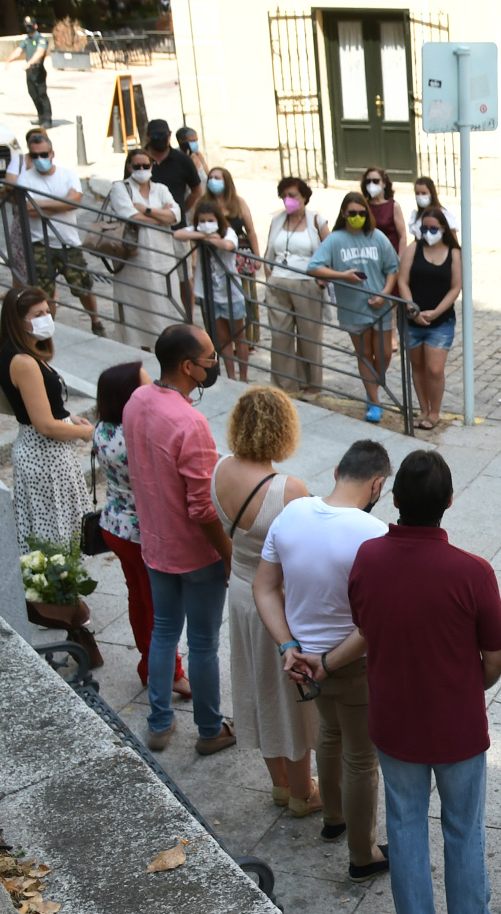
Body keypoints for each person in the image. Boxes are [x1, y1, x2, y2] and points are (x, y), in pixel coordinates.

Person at [353, 451, 501, 914]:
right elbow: (495, 657)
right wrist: (470, 685)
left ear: (394, 500)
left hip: (394, 719)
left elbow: (364, 624)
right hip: (457, 725)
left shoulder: (368, 559)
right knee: (464, 827)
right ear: (448, 501)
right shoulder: (473, 572)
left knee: (403, 824)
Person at [255, 440, 392, 880]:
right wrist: (330, 661)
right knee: (360, 758)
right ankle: (362, 853)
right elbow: (375, 624)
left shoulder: (291, 514)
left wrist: (286, 645)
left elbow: (264, 587)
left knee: (329, 735)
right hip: (349, 664)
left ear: (336, 470)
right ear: (378, 484)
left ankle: (333, 818)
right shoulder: (373, 536)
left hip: (301, 660)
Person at [124, 325, 234, 755]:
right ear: (188, 367)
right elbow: (203, 509)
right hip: (195, 553)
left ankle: (159, 722)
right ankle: (210, 730)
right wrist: (226, 556)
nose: (213, 364)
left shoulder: (137, 400)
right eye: (209, 358)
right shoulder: (190, 422)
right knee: (204, 642)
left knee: (164, 632)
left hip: (155, 543)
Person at [211, 387, 316, 816]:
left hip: (240, 590)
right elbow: (310, 555)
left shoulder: (220, 470)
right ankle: (301, 793)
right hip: (279, 600)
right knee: (290, 696)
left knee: (256, 683)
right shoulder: (290, 489)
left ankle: (278, 785)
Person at [92, 361, 189, 698]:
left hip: (114, 525)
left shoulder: (103, 429)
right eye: (147, 388)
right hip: (141, 531)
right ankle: (167, 672)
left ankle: (149, 663)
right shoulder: (136, 437)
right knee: (160, 609)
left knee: (138, 597)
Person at [0, 286, 92, 549]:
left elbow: (43, 404)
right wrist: (85, 433)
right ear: (18, 320)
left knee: (59, 532)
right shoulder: (23, 362)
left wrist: (70, 418)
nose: (46, 318)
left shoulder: (15, 352)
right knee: (57, 536)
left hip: (44, 453)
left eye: (47, 311)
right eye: (37, 314)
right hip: (45, 456)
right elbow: (45, 424)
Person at [308, 191, 401, 424]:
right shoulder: (335, 239)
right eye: (352, 213)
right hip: (353, 307)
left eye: (361, 213)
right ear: (343, 213)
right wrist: (342, 276)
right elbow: (314, 267)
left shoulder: (377, 237)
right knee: (364, 353)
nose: (357, 217)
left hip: (380, 307)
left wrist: (384, 293)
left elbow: (392, 268)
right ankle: (374, 400)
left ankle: (374, 388)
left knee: (384, 353)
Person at [11, 129, 105, 337]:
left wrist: (43, 205)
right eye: (35, 155)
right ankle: (47, 330)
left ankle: (96, 321)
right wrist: (61, 203)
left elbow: (74, 201)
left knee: (83, 286)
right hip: (39, 243)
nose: (40, 159)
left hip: (68, 241)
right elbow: (26, 209)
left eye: (43, 155)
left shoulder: (67, 173)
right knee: (43, 292)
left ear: (52, 154)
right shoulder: (25, 179)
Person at [99, 148, 181, 350]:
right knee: (137, 307)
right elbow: (130, 215)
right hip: (134, 257)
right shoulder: (121, 188)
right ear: (129, 167)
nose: (142, 169)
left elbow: (175, 215)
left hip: (163, 257)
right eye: (137, 166)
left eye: (146, 165)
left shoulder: (160, 189)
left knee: (164, 303)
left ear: (152, 166)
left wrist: (146, 210)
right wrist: (161, 217)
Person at [396, 206, 462, 430]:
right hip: (412, 319)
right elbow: (402, 281)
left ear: (443, 228)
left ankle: (435, 411)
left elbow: (455, 288)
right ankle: (423, 408)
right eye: (425, 228)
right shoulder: (413, 249)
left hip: (441, 322)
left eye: (433, 228)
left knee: (435, 368)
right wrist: (412, 310)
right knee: (418, 365)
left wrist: (436, 312)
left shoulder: (453, 254)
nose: (429, 232)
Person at [265, 176, 330, 396]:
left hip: (306, 283)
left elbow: (329, 251)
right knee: (280, 336)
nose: (288, 200)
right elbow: (270, 251)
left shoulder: (316, 221)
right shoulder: (277, 220)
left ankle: (311, 384)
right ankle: (284, 386)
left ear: (304, 197)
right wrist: (269, 275)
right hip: (278, 283)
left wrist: (322, 281)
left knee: (309, 337)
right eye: (284, 196)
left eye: (292, 195)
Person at [175, 200, 247, 380]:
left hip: (231, 292)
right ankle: (231, 375)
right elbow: (178, 234)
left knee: (239, 336)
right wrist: (202, 234)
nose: (206, 223)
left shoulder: (228, 232)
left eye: (210, 220)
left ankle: (244, 376)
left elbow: (229, 245)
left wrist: (214, 239)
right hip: (210, 294)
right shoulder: (198, 231)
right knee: (223, 339)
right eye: (203, 220)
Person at [205, 166, 261, 371]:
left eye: (217, 178)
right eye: (210, 177)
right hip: (215, 258)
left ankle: (250, 338)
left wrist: (256, 256)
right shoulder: (206, 205)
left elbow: (251, 230)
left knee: (245, 296)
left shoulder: (238, 202)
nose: (213, 181)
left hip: (240, 254)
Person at [142, 119, 201, 219]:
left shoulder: (183, 160)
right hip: (145, 220)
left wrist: (181, 210)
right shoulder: (138, 160)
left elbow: (197, 190)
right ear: (148, 136)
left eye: (164, 136)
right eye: (156, 136)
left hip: (175, 222)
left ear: (169, 135)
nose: (160, 139)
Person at [6, 19, 51, 127]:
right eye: (26, 26)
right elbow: (19, 50)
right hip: (29, 72)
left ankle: (47, 120)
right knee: (33, 94)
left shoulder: (41, 39)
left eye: (30, 25)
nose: (28, 28)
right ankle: (40, 117)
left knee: (42, 95)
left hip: (38, 70)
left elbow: (40, 52)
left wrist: (30, 63)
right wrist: (9, 60)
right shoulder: (27, 40)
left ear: (35, 25)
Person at [361, 166, 405, 253]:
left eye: (376, 181)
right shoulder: (363, 206)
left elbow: (403, 236)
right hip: (370, 254)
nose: (371, 184)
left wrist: (400, 259)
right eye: (368, 181)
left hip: (391, 253)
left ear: (384, 183)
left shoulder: (393, 206)